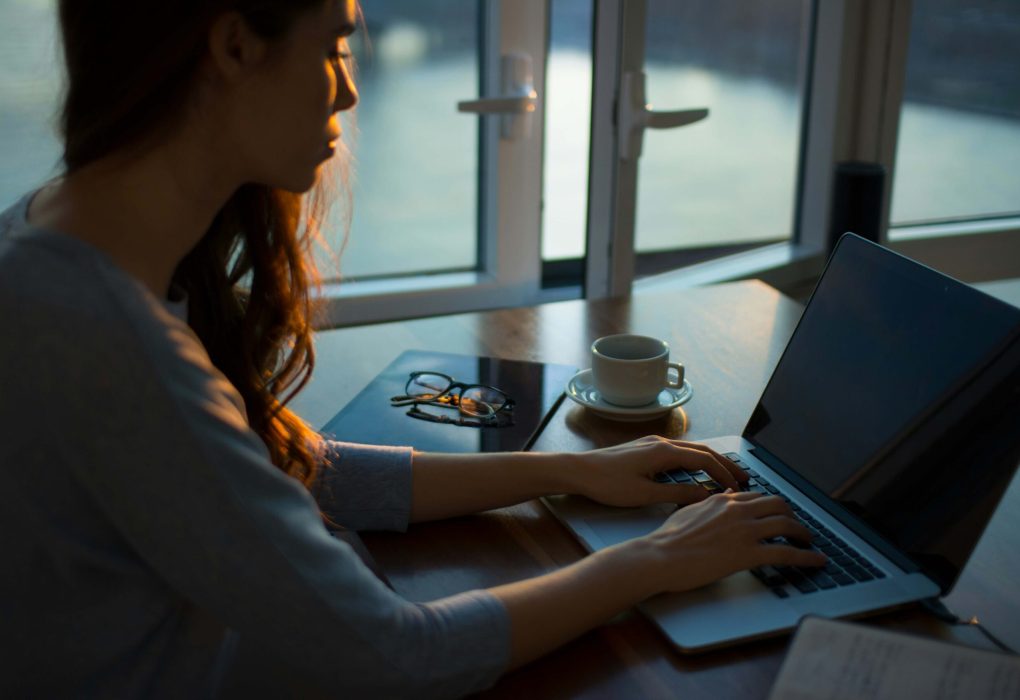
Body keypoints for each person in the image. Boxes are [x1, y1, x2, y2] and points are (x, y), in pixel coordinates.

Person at [0, 0, 825, 696]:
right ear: (234, 45)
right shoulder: (115, 347)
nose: (350, 86)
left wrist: (566, 471)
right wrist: (651, 561)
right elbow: (396, 655)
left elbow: (280, 468)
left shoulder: (49, 233)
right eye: (333, 47)